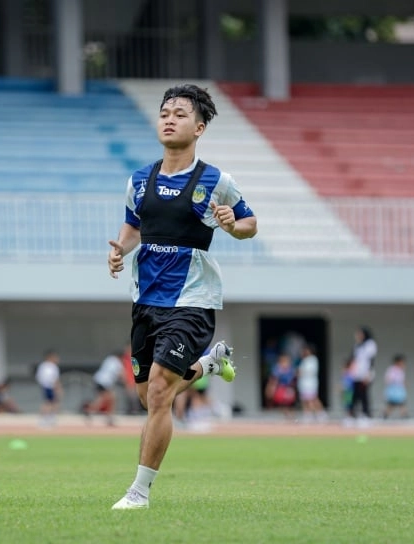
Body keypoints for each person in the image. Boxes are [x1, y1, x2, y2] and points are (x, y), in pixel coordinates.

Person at [106, 84, 257, 510]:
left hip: (193, 298)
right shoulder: (139, 180)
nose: (169, 119)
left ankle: (139, 492)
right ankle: (210, 363)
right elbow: (133, 226)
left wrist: (232, 225)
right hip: (146, 298)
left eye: (179, 114)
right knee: (148, 397)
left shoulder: (216, 180)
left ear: (199, 127)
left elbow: (250, 224)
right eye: (164, 113)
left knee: (159, 391)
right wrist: (120, 249)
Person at [84, 348, 126, 426]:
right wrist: (125, 382)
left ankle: (92, 411)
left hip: (98, 380)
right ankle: (106, 416)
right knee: (110, 398)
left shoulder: (109, 359)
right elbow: (121, 375)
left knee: (106, 399)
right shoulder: (117, 362)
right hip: (104, 382)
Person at [348, 327, 377, 425]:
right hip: (356, 374)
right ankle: (352, 415)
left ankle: (366, 415)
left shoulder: (370, 344)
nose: (358, 336)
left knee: (364, 395)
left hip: (365, 373)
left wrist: (368, 373)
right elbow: (353, 359)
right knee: (354, 395)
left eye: (360, 334)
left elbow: (371, 360)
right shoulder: (356, 345)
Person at [297, 344, 326, 422]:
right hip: (303, 383)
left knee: (312, 399)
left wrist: (300, 372)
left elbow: (308, 371)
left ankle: (320, 414)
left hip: (310, 383)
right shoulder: (304, 360)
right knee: (304, 400)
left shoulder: (313, 359)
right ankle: (307, 415)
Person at [265, 353, 297, 419]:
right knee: (282, 403)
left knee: (289, 403)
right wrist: (271, 388)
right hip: (281, 388)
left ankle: (291, 415)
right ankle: (287, 415)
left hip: (289, 388)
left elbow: (294, 379)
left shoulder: (291, 369)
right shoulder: (277, 369)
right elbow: (274, 379)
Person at [35, 349, 62, 427]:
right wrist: (57, 388)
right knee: (50, 402)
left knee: (50, 402)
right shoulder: (51, 366)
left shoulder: (43, 366)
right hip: (49, 386)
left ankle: (49, 417)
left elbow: (39, 377)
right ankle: (47, 418)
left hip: (46, 386)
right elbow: (54, 379)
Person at [383, 354, 408, 419]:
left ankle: (404, 415)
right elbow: (388, 379)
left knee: (401, 403)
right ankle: (385, 415)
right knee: (392, 404)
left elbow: (402, 380)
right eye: (401, 362)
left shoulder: (401, 370)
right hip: (394, 390)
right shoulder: (392, 369)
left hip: (399, 390)